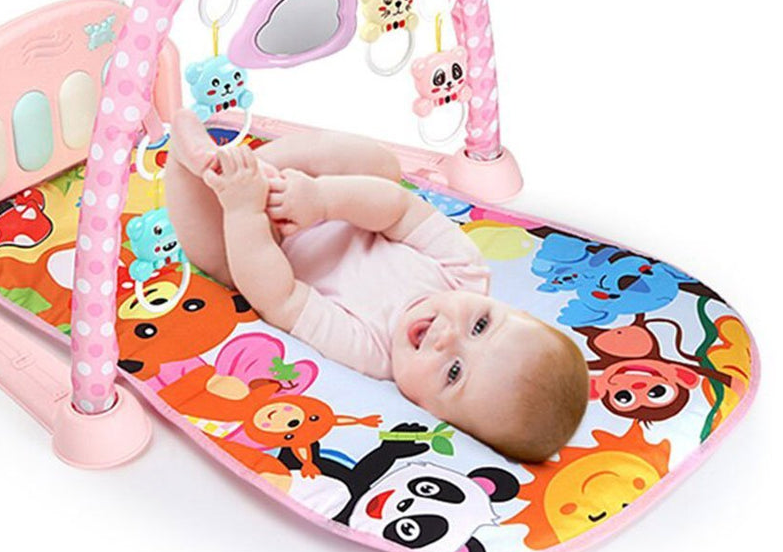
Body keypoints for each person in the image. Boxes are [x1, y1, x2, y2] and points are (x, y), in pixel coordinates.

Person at [163, 110, 588, 462]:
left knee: (223, 264)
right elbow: (399, 209)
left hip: (268, 243)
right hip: (330, 194)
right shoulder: (466, 273)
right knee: (382, 167)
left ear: (431, 410)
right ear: (511, 309)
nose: (446, 336)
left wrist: (245, 211)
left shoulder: (372, 353)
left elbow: (282, 298)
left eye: (454, 372)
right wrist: (320, 199)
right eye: (480, 325)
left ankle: (191, 163)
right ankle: (265, 158)